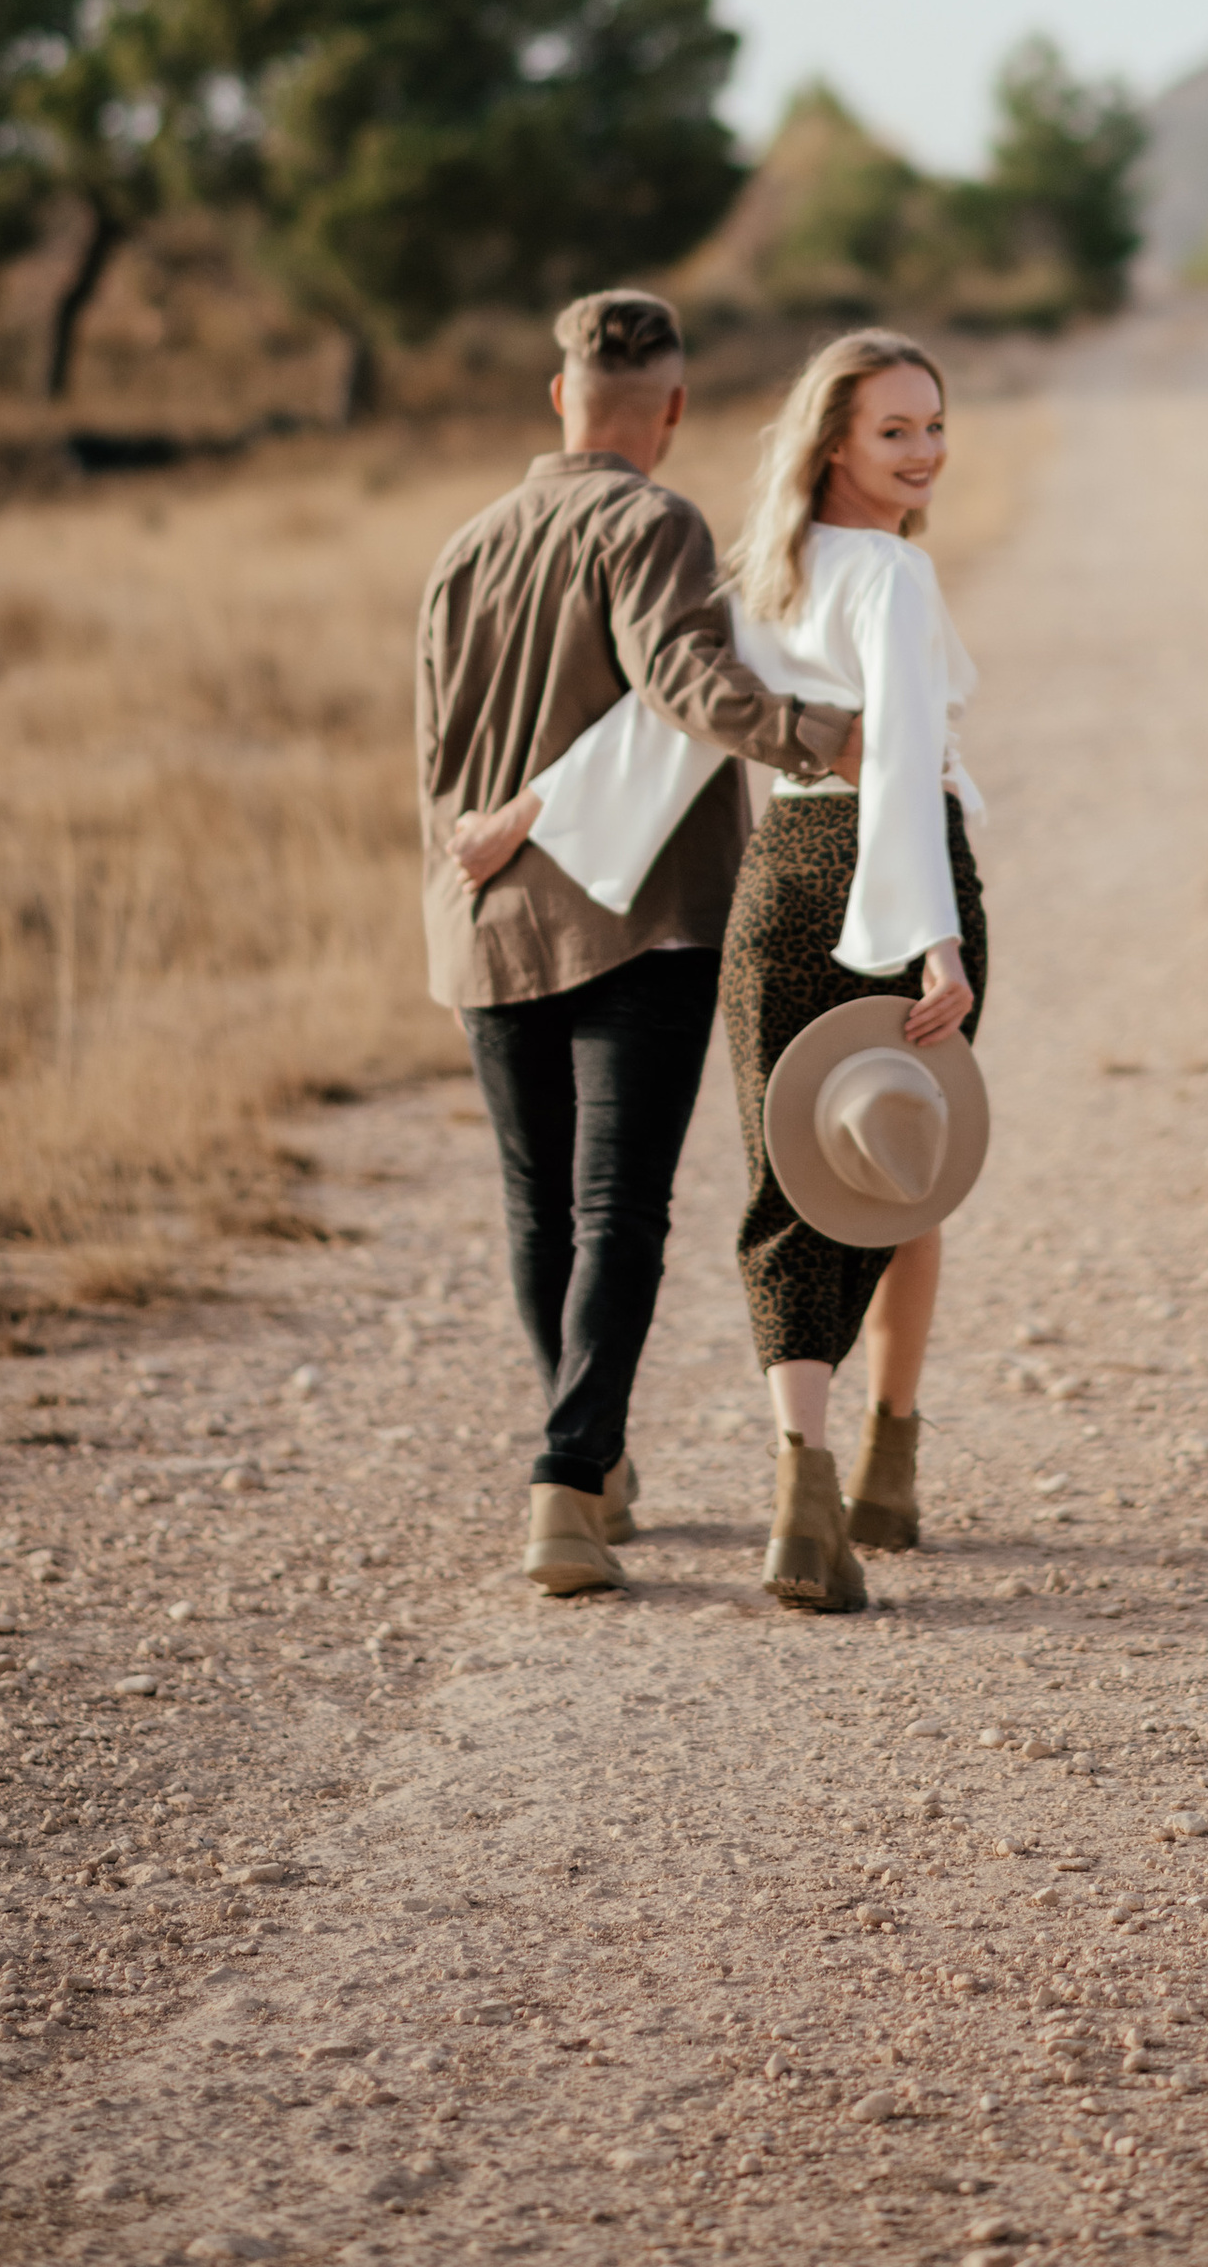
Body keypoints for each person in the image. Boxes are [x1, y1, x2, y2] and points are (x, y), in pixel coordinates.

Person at [415, 289, 859, 1601]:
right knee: (620, 1209)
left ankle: (589, 1472)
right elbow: (685, 681)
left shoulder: (465, 545)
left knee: (538, 1203)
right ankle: (568, 1476)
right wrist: (828, 741)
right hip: (638, 921)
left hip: (482, 919)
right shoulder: (654, 519)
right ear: (672, 408)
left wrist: (459, 883)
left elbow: (439, 755)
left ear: (560, 397)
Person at [717, 326, 986, 1614]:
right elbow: (896, 774)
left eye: (934, 426)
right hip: (899, 869)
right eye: (897, 430)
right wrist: (932, 934)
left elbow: (671, 720)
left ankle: (807, 1491)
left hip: (778, 875)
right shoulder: (887, 575)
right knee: (904, 1163)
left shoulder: (756, 572)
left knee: (791, 1175)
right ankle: (887, 1460)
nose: (925, 450)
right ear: (835, 440)